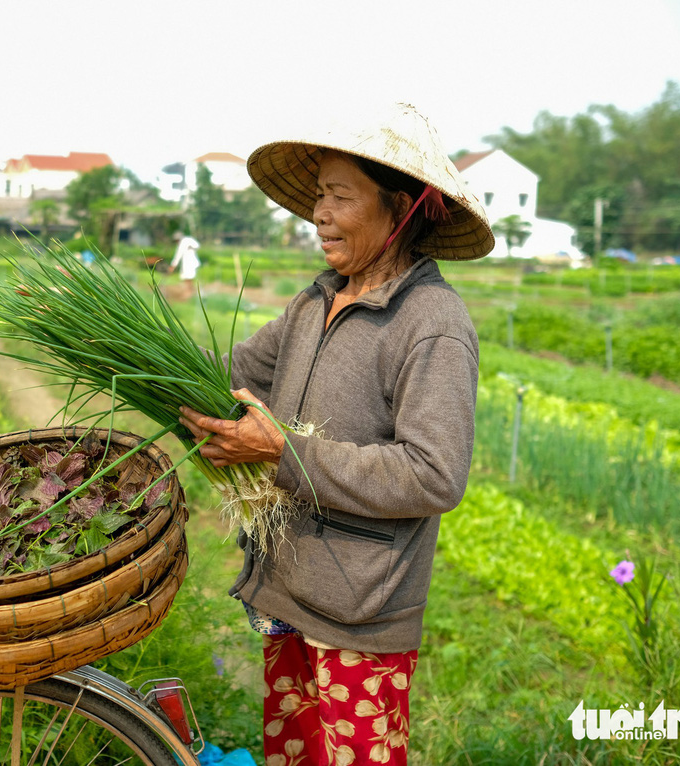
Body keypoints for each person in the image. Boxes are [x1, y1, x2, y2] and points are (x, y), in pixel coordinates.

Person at [178, 103, 494, 765]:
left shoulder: (432, 322)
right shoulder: (316, 299)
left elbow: (434, 474)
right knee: (291, 754)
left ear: (400, 209)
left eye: (340, 196)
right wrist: (147, 363)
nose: (320, 213)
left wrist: (282, 451)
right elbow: (235, 373)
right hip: (289, 584)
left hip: (363, 611)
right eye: (319, 194)